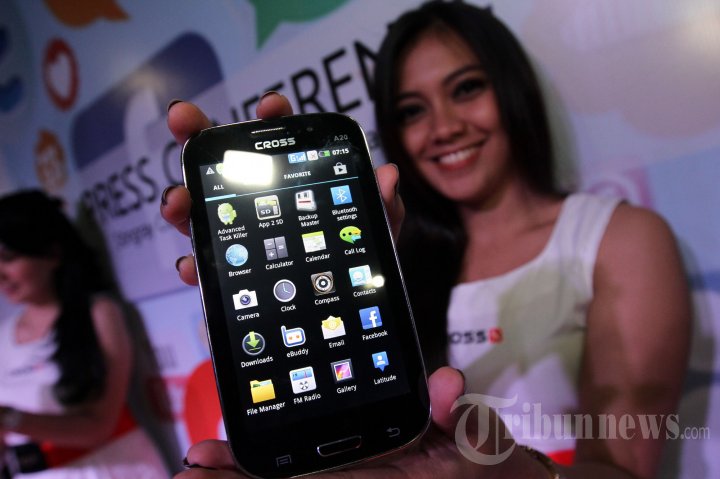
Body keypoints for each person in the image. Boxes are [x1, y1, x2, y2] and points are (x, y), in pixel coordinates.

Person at [161, 2, 691, 478]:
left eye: (466, 88)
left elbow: (626, 470)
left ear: (512, 87)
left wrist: (517, 476)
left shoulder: (618, 237)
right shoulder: (396, 254)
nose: (444, 127)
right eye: (412, 110)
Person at [0, 190, 168, 478]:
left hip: (113, 469)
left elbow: (98, 426)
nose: (1, 274)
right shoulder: (4, 336)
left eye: (8, 258)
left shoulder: (99, 313)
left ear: (52, 254)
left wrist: (10, 418)